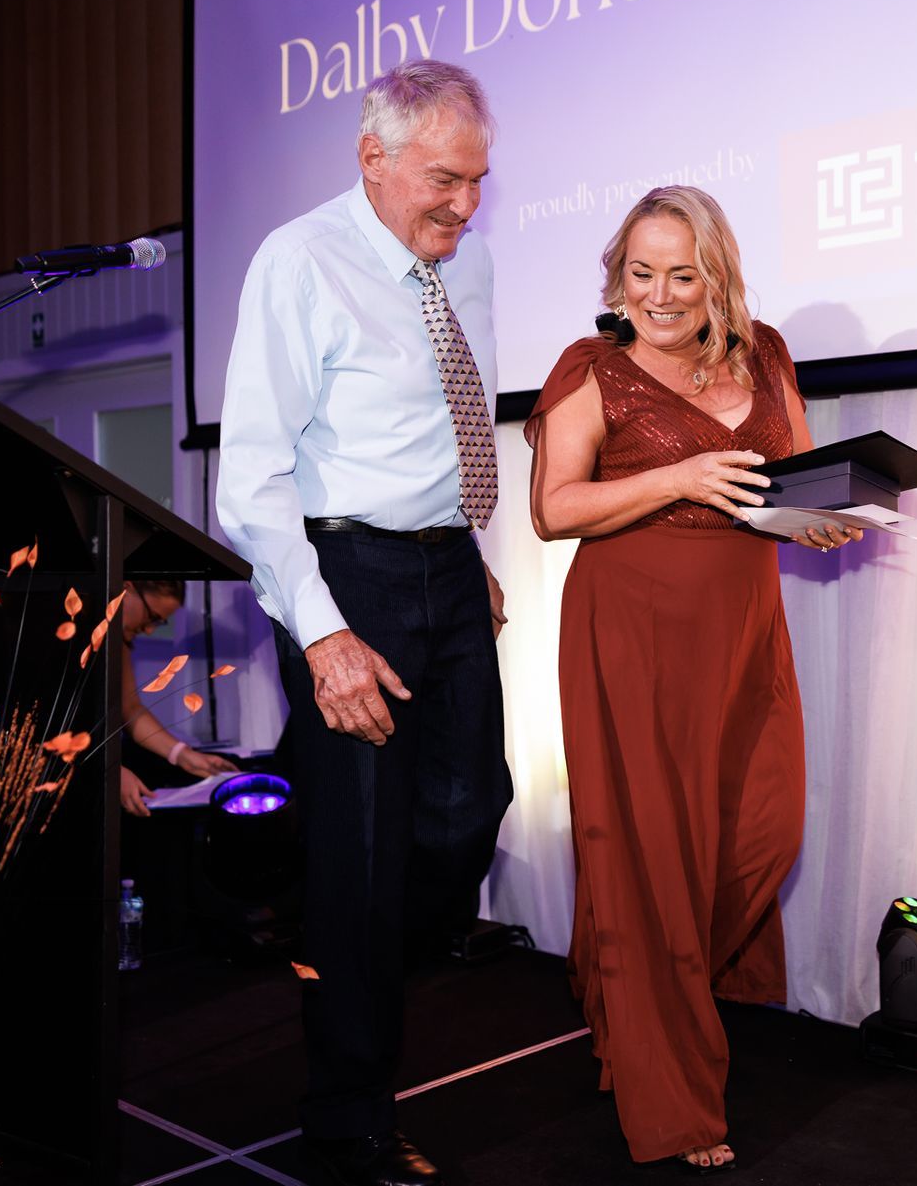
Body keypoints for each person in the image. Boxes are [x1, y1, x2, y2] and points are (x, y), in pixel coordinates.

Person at [215, 60, 512, 1186]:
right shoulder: (300, 261)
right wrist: (325, 635)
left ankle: (334, 936)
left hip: (447, 570)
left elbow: (452, 417)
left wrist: (467, 549)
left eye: (479, 181)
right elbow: (252, 480)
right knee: (367, 861)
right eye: (445, 179)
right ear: (372, 157)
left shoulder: (466, 260)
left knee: (469, 814)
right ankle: (349, 1119)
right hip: (347, 579)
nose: (465, 205)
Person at [525, 186, 861, 1173]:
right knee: (651, 858)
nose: (662, 295)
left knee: (764, 827)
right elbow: (553, 510)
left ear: (716, 273)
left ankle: (637, 993)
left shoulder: (764, 352)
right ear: (615, 277)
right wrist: (675, 478)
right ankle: (672, 1099)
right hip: (631, 631)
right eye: (642, 273)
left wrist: (823, 518)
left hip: (743, 625)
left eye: (682, 274)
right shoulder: (594, 369)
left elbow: (787, 481)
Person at [113, 578, 238, 818]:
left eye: (158, 623)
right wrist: (110, 773)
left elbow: (129, 709)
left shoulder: (120, 642)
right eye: (152, 617)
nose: (149, 630)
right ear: (126, 588)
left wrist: (183, 755)